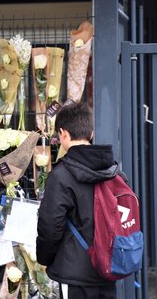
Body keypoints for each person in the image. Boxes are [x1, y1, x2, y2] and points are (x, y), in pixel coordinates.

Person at [36, 102, 118, 299]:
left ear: (63, 134)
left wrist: (44, 259)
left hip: (75, 273)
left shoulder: (61, 175)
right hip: (108, 268)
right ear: (90, 133)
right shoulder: (114, 172)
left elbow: (50, 226)